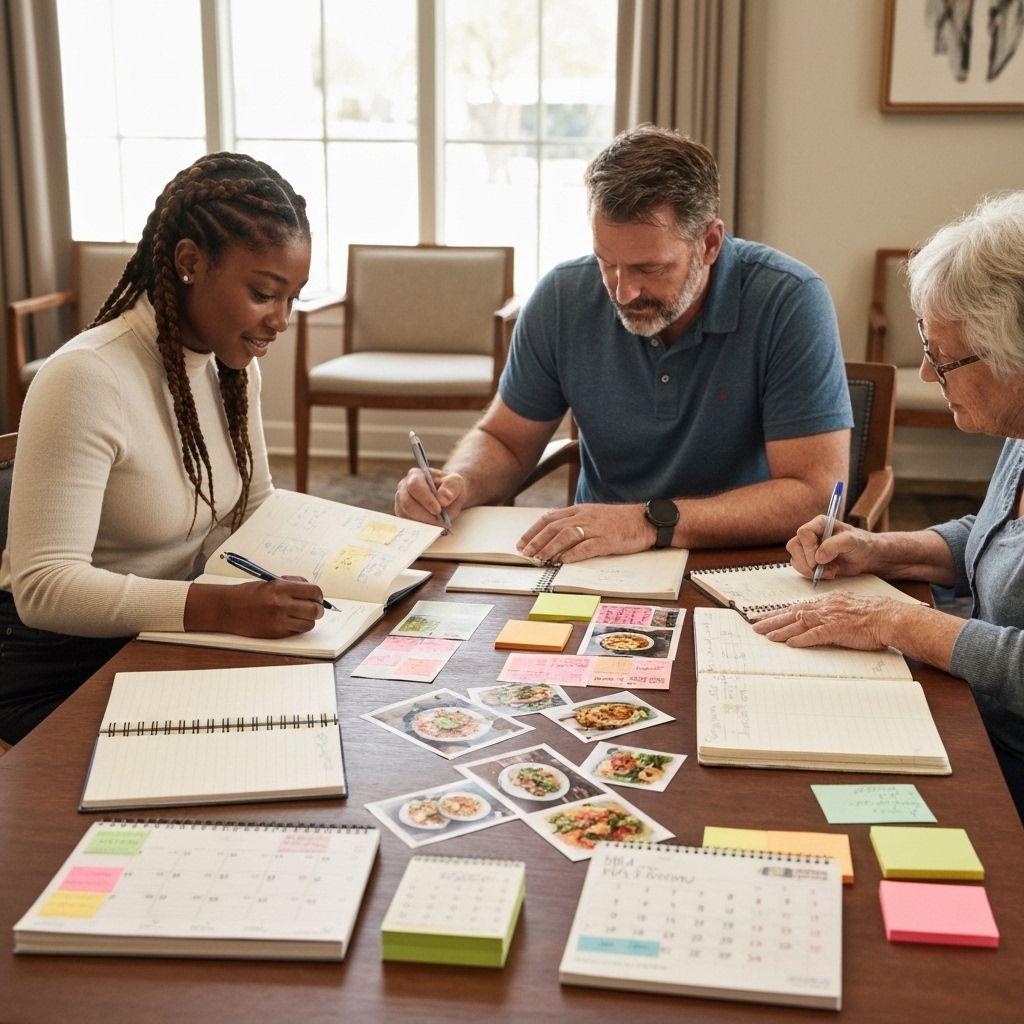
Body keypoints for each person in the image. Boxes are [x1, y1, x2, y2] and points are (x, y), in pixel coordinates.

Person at [395, 125, 852, 563]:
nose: (623, 292)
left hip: (741, 560)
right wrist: (458, 484)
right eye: (607, 262)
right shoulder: (562, 298)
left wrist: (646, 522)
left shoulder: (789, 300)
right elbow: (506, 441)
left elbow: (813, 494)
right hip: (596, 557)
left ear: (709, 243)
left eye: (650, 269)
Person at [0, 152, 324, 745]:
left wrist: (363, 557)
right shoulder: (86, 377)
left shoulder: (232, 367)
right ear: (189, 262)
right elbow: (45, 588)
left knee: (309, 723)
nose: (281, 320)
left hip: (159, 636)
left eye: (293, 299)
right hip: (55, 667)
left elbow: (255, 509)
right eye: (263, 293)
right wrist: (221, 609)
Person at [753, 191, 1024, 821]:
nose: (926, 374)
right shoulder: (1019, 433)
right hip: (972, 719)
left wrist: (897, 622)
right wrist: (878, 549)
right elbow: (995, 538)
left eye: (943, 356)